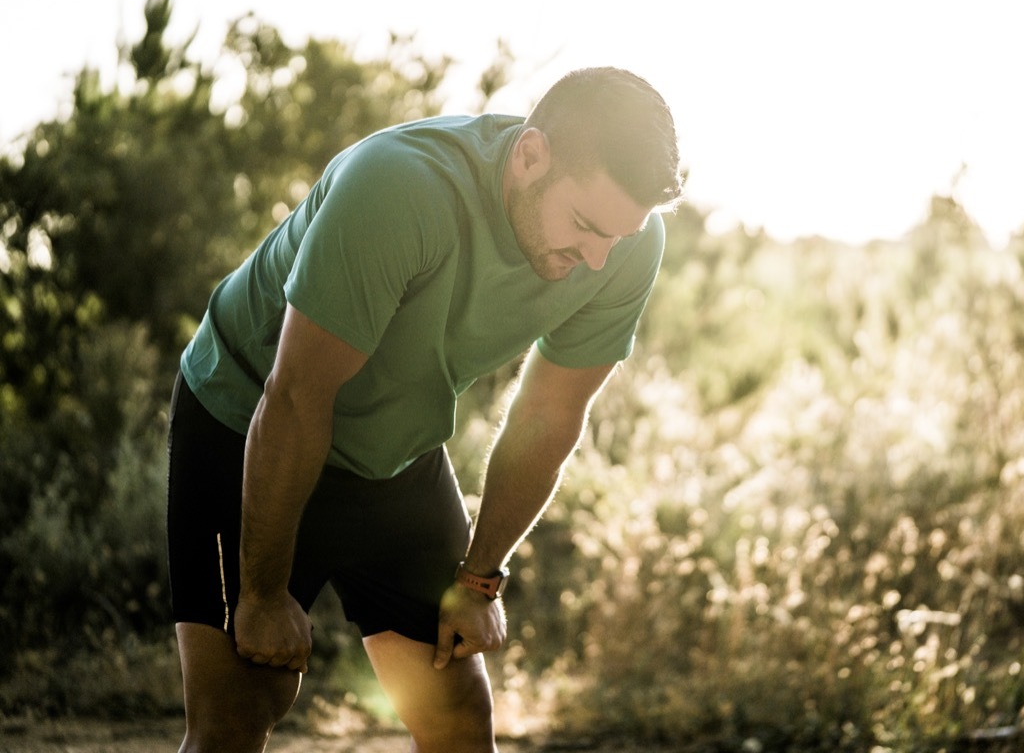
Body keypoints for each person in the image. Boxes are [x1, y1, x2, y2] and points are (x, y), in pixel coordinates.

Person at [166, 66, 683, 752]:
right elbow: (295, 397)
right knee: (238, 714)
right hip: (248, 421)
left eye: (615, 237)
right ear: (530, 156)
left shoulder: (624, 247)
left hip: (394, 448)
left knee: (458, 719)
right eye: (586, 226)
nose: (596, 260)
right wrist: (260, 596)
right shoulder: (398, 188)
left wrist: (479, 581)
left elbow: (549, 417)